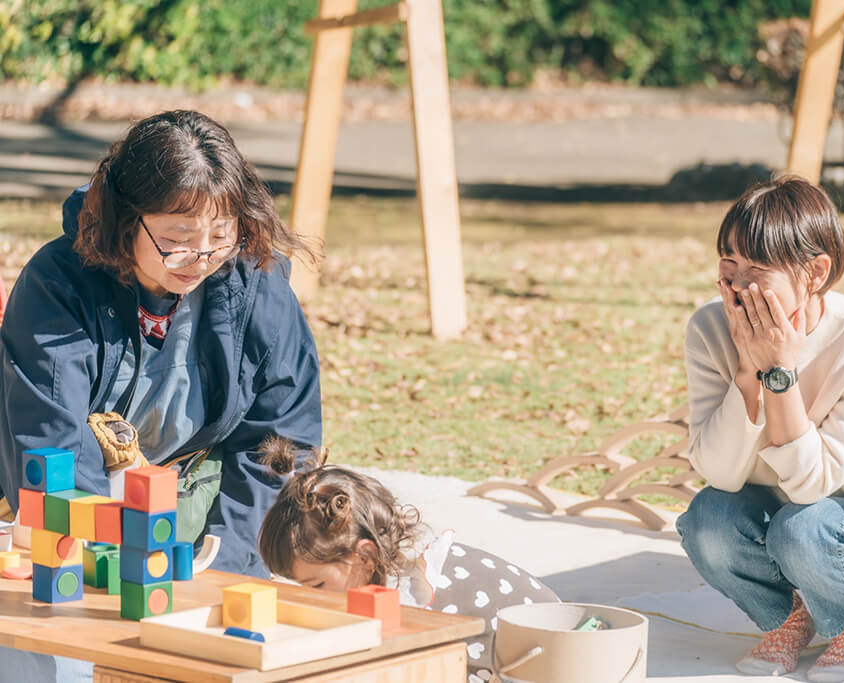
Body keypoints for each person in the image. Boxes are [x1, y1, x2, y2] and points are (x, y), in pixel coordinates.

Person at [0, 110, 322, 679]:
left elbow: (280, 440)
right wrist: (112, 564)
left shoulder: (255, 282)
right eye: (176, 240)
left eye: (220, 238)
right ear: (126, 219)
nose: (200, 259)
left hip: (187, 499)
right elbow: (50, 444)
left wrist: (231, 563)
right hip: (77, 513)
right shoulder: (58, 282)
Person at [675, 175, 844, 682]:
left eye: (758, 269)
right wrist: (747, 372)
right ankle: (789, 618)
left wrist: (779, 373)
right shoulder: (710, 329)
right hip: (783, 516)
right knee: (706, 520)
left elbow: (810, 487)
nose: (737, 285)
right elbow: (719, 473)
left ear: (817, 272)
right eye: (728, 263)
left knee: (804, 528)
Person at [258, 438, 559, 683]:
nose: (311, 599)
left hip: (551, 662)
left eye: (316, 586)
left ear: (365, 556)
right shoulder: (386, 566)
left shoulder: (412, 592)